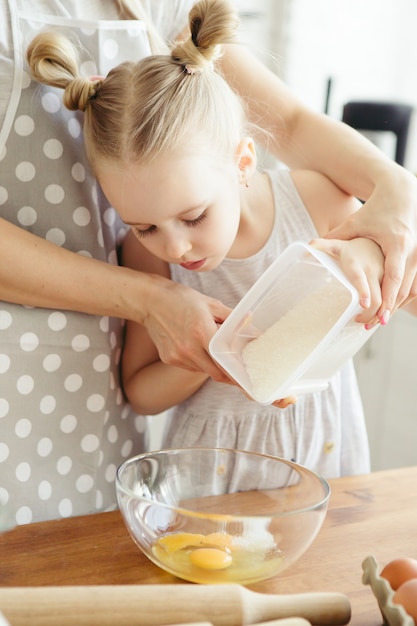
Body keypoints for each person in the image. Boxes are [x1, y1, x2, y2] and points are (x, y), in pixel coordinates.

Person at [1, 1, 417, 524]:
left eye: (194, 216)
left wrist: (370, 254)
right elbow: (141, 391)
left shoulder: (317, 203)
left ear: (243, 163)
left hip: (328, 457)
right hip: (209, 481)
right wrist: (215, 358)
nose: (174, 248)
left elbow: (402, 285)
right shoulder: (147, 261)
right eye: (144, 226)